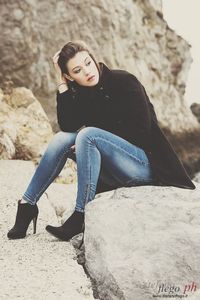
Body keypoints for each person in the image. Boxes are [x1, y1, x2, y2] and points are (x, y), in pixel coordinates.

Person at [7, 40, 195, 241]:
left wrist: (97, 139)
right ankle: (27, 205)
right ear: (70, 76)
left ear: (94, 58)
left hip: (146, 166)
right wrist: (61, 84)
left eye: (88, 63)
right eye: (78, 71)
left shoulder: (125, 81)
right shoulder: (81, 94)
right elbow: (68, 126)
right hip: (114, 168)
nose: (88, 71)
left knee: (88, 135)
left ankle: (80, 214)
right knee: (62, 139)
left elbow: (141, 131)